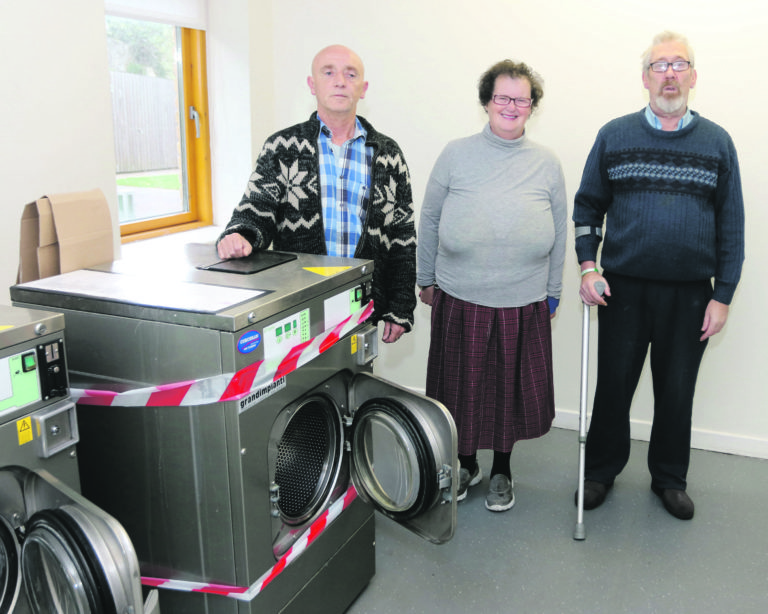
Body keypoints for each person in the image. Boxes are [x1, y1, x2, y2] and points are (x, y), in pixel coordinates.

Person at [573, 31, 745, 520]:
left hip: (692, 293)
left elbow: (732, 225)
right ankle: (600, 472)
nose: (669, 74)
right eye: (659, 65)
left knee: (677, 390)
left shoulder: (717, 142)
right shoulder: (615, 135)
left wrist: (724, 295)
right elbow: (588, 207)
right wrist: (589, 265)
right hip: (623, 288)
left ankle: (669, 478)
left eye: (679, 65)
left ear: (693, 76)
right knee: (613, 386)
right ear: (644, 77)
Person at [417, 60, 567, 512]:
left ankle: (502, 468)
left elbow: (560, 229)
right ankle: (466, 465)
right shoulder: (455, 154)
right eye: (502, 96)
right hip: (460, 294)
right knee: (460, 389)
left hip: (522, 299)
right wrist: (425, 277)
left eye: (521, 99)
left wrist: (554, 289)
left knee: (508, 391)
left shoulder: (547, 163)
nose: (511, 106)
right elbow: (429, 218)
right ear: (486, 102)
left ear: (532, 107)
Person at [217, 45, 416, 343]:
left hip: (363, 304)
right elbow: (256, 209)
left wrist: (400, 306)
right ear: (312, 85)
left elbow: (402, 238)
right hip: (298, 305)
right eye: (328, 72)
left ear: (363, 88)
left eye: (351, 74)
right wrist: (240, 234)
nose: (340, 81)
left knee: (354, 381)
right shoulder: (282, 147)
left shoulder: (389, 155)